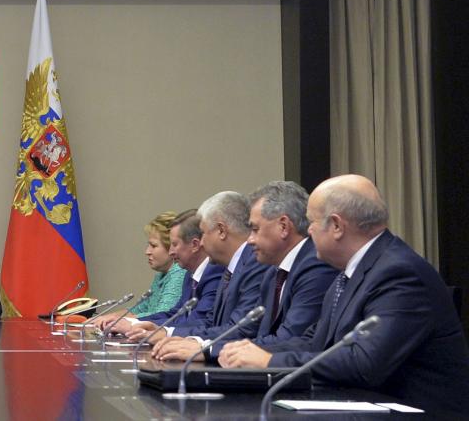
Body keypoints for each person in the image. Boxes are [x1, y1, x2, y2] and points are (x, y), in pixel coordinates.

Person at [219, 175, 469, 416]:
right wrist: (248, 350)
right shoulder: (350, 272)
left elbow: (364, 363)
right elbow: (316, 341)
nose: (309, 232)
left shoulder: (399, 273)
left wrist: (269, 361)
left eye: (312, 222)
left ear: (337, 226)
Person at [193, 181, 337, 359]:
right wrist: (201, 345)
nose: (250, 240)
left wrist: (208, 350)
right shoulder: (272, 271)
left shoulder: (316, 265)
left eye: (254, 229)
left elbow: (290, 338)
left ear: (283, 227)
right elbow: (250, 329)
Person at [130, 191, 270, 357]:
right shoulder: (229, 267)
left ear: (221, 231)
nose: (201, 242)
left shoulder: (253, 264)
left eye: (203, 233)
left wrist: (200, 347)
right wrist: (167, 332)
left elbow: (241, 328)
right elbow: (211, 322)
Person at [109, 209, 225, 335]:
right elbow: (175, 314)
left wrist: (140, 327)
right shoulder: (189, 273)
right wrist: (132, 322)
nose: (171, 252)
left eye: (174, 244)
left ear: (195, 245)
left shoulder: (215, 273)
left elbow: (198, 321)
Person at [92, 211, 186, 327]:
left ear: (171, 246)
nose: (147, 252)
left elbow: (162, 314)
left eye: (154, 246)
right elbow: (138, 310)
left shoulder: (179, 273)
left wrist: (115, 320)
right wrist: (105, 318)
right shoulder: (161, 275)